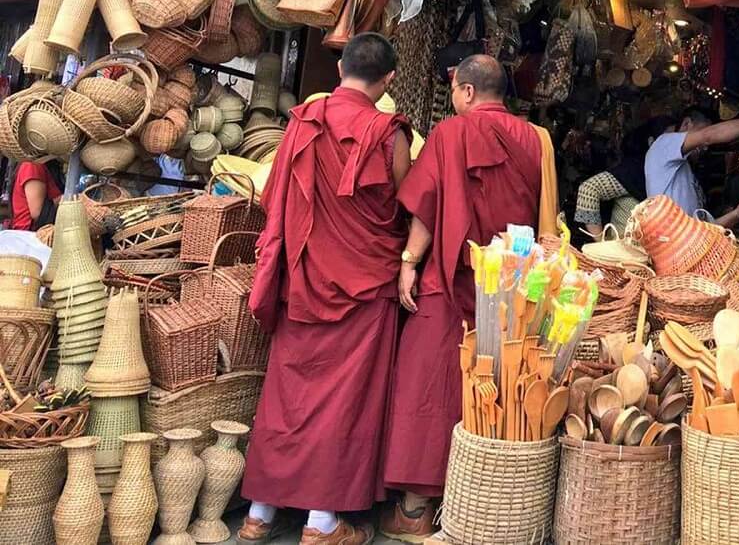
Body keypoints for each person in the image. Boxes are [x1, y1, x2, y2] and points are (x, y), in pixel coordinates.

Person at [238, 33, 413, 545]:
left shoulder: (301, 124)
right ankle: (321, 523)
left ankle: (258, 514)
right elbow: (403, 204)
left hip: (304, 276)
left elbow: (276, 198)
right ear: (389, 81)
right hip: (366, 280)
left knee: (286, 394)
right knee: (345, 400)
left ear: (339, 71)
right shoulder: (389, 131)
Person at [381, 54, 544, 540]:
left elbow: (427, 206)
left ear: (467, 92)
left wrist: (408, 262)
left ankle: (414, 509)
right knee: (497, 384)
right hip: (510, 288)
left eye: (455, 91)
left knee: (428, 382)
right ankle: (481, 504)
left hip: (449, 282)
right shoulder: (535, 141)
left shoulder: (451, 135)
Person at [644, 108, 739, 227]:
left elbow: (706, 230)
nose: (705, 147)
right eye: (703, 129)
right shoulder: (663, 144)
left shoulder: (683, 173)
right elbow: (708, 136)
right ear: (687, 123)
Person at [574, 117, 672, 237]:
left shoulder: (673, 172)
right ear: (652, 141)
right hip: (622, 251)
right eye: (670, 138)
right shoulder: (636, 169)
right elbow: (588, 190)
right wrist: (600, 242)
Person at [9, 160, 63, 231]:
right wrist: (69, 198)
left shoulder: (33, 165)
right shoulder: (32, 166)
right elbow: (38, 213)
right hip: (30, 234)